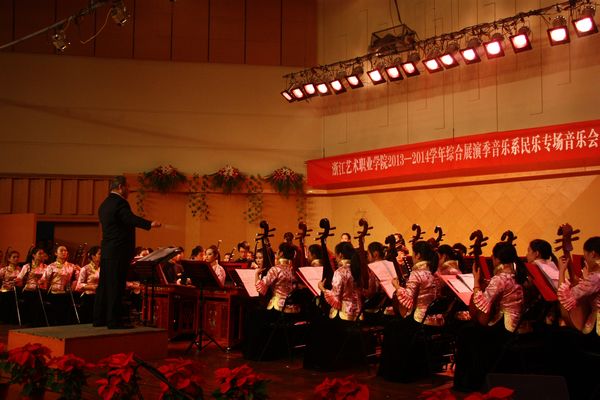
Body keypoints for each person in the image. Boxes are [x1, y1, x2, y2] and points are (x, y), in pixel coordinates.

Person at [453, 241, 525, 392]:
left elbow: (482, 305)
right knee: (469, 330)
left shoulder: (500, 278)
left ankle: (467, 383)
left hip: (502, 329)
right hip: (513, 325)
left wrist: (476, 283)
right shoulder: (515, 275)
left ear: (497, 258)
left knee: (466, 332)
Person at [94, 175, 161, 329]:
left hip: (107, 250)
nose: (129, 190)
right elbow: (129, 218)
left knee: (104, 285)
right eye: (127, 187)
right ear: (120, 187)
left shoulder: (104, 204)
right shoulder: (120, 202)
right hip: (119, 251)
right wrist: (149, 223)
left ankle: (99, 319)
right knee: (117, 286)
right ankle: (114, 321)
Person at [378, 240, 441, 382]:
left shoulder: (417, 274)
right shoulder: (434, 273)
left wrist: (397, 286)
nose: (412, 256)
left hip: (419, 320)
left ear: (418, 255)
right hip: (433, 319)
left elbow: (408, 298)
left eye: (413, 253)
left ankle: (395, 372)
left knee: (392, 327)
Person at [303, 242, 364, 370]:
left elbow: (336, 299)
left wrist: (322, 289)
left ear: (340, 255)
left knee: (317, 326)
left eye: (336, 255)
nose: (335, 258)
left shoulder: (340, 272)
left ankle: (320, 363)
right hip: (358, 314)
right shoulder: (357, 269)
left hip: (343, 316)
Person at [39, 245, 79, 325]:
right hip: (54, 294)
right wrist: (40, 282)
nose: (64, 252)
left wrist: (74, 283)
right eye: (61, 251)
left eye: (65, 251)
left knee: (65, 314)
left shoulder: (72, 266)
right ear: (56, 253)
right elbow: (44, 279)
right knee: (56, 314)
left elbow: (79, 278)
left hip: (66, 293)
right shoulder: (51, 266)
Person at [16, 247, 47, 326]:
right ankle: (29, 322)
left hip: (41, 290)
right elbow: (20, 277)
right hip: (29, 289)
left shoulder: (46, 267)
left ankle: (38, 322)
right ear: (33, 255)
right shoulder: (27, 266)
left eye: (43, 254)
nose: (42, 255)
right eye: (40, 254)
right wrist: (15, 280)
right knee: (30, 302)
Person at [76, 246, 101, 323]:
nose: (102, 255)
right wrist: (92, 287)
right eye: (99, 254)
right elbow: (79, 285)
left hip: (100, 296)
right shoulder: (85, 268)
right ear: (93, 256)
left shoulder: (103, 268)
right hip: (89, 297)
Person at [0, 250, 22, 324]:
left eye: (17, 257)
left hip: (16, 290)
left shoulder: (20, 270)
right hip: (5, 291)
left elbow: (21, 282)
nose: (16, 259)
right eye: (14, 257)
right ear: (9, 259)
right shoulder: (3, 269)